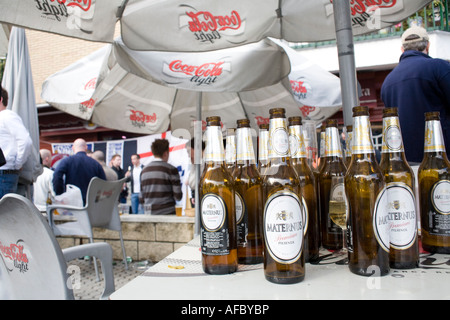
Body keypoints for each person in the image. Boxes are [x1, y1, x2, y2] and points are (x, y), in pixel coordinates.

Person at [381, 26, 450, 164]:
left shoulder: (387, 82)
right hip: (443, 160)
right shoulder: (438, 67)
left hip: (407, 163)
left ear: (402, 49)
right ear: (428, 45)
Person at [0, 85, 33, 198]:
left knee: (4, 213)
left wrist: (17, 164)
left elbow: (25, 141)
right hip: (5, 173)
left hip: (4, 173)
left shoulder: (7, 116)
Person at [52, 138, 106, 205]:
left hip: (72, 202)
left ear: (73, 148)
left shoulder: (67, 161)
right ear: (86, 148)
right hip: (90, 203)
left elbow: (57, 175)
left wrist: (60, 193)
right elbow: (104, 184)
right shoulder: (96, 164)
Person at [140, 139, 182, 215]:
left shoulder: (144, 170)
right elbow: (178, 196)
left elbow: (141, 197)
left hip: (149, 214)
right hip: (168, 214)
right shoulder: (171, 169)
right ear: (165, 153)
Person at [185, 137, 205, 208]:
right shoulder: (195, 163)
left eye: (189, 151)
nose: (188, 155)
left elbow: (193, 182)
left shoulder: (206, 163)